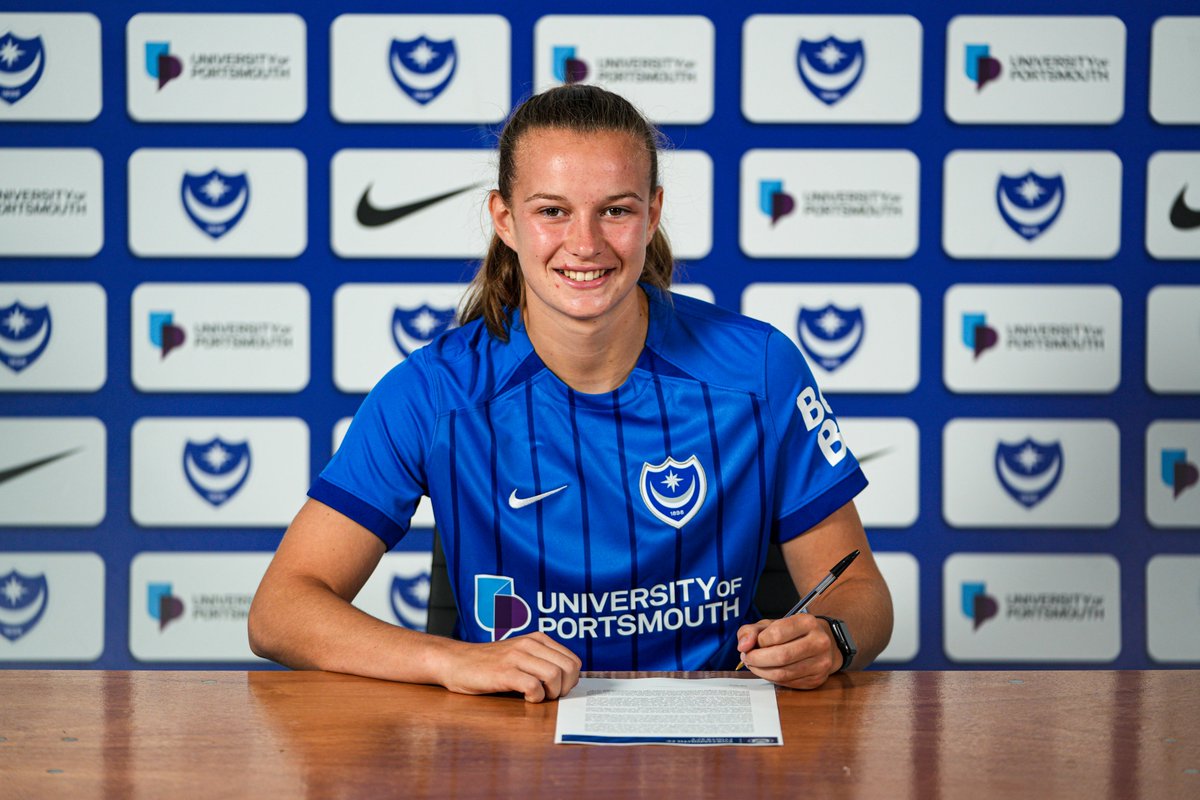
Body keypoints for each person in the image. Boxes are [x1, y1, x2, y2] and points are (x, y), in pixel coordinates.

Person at [248, 84, 893, 703]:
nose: (584, 244)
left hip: (713, 745)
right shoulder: (433, 393)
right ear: (504, 218)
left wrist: (831, 637)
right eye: (552, 211)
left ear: (653, 214)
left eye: (615, 209)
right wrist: (453, 660)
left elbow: (859, 588)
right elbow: (281, 611)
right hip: (513, 738)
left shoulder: (759, 369)